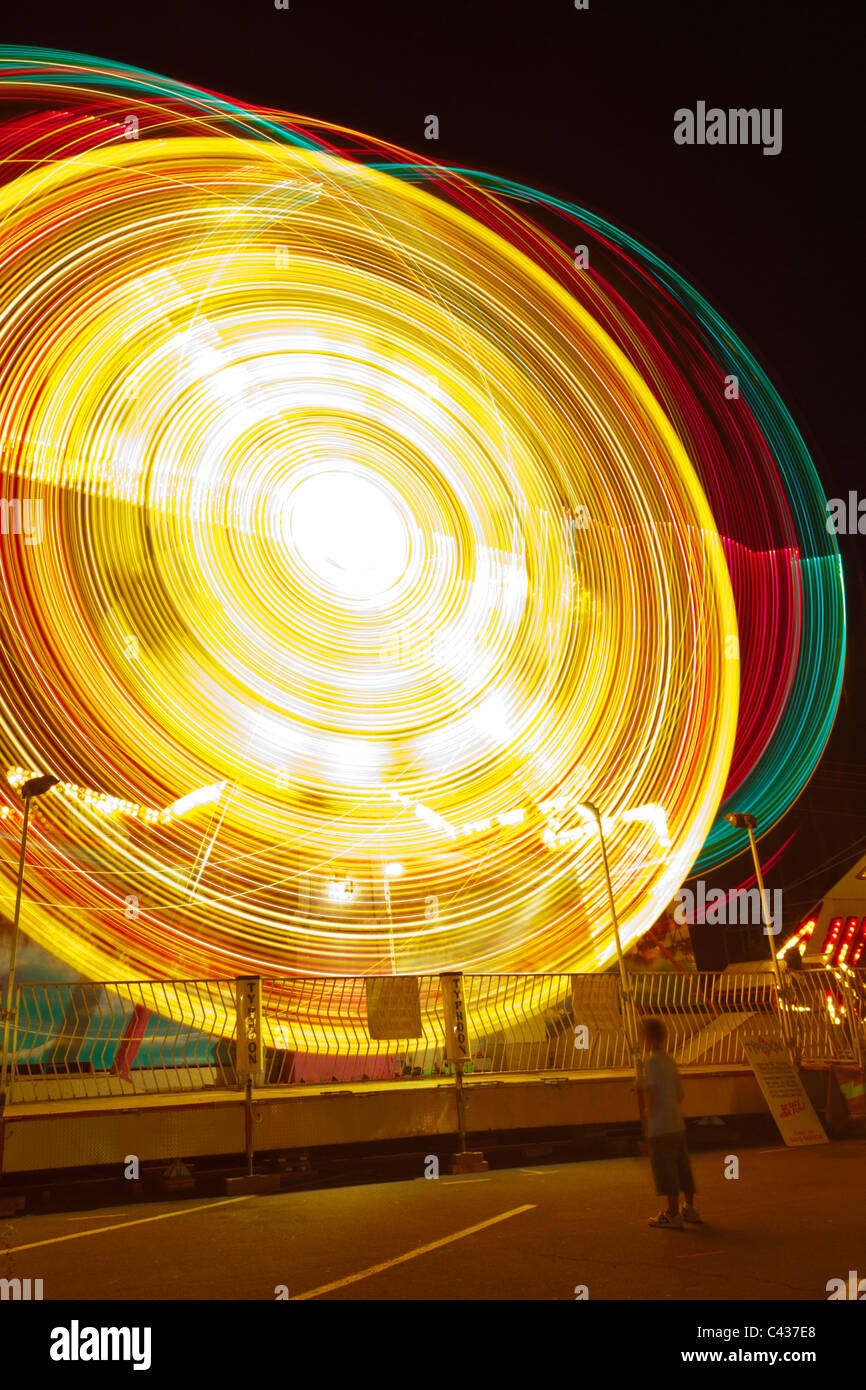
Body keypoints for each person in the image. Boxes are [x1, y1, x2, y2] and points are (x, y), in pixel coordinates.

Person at [639, 1016, 701, 1228]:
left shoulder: (651, 1062)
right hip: (676, 1121)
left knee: (666, 1169)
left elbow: (651, 1090)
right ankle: (689, 1209)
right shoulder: (670, 1060)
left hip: (661, 1125)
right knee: (682, 1167)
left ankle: (672, 1214)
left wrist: (648, 1113)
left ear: (648, 1038)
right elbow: (680, 1093)